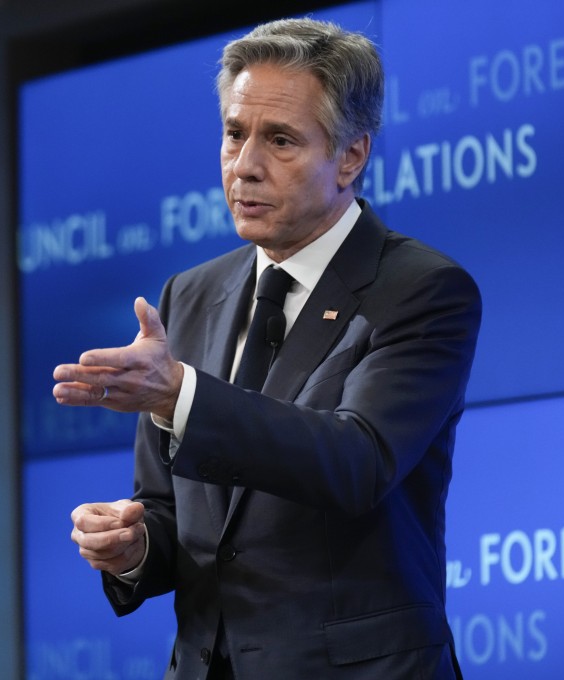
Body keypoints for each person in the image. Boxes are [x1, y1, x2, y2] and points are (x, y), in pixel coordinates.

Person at [53, 17, 481, 680]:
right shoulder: (188, 296)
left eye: (279, 140)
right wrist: (135, 545)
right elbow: (175, 515)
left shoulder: (422, 290)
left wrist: (181, 394)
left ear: (351, 156)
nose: (244, 165)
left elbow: (356, 461)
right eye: (233, 133)